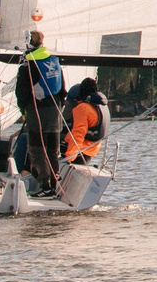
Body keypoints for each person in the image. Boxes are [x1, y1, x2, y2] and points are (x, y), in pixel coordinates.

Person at [16, 31, 67, 188]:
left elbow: (22, 93)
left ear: (27, 44)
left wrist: (23, 110)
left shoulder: (27, 65)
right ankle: (55, 181)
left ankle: (44, 182)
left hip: (36, 112)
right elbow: (62, 90)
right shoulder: (52, 61)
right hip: (55, 111)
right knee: (53, 150)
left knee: (37, 150)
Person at [63, 77, 109, 165]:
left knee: (51, 137)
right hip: (92, 150)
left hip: (80, 152)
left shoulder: (82, 108)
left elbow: (78, 134)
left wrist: (69, 157)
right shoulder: (100, 106)